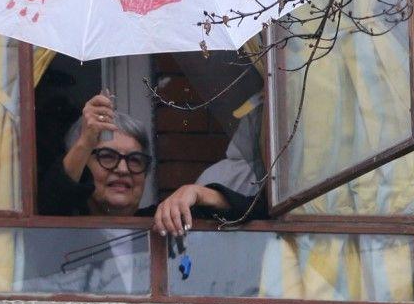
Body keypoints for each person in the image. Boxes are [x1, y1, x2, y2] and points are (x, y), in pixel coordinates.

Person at [38, 93, 266, 235]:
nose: (123, 169)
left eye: (135, 160)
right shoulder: (64, 226)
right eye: (107, 157)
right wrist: (86, 141)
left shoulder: (162, 223)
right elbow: (53, 198)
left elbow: (261, 212)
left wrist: (197, 193)